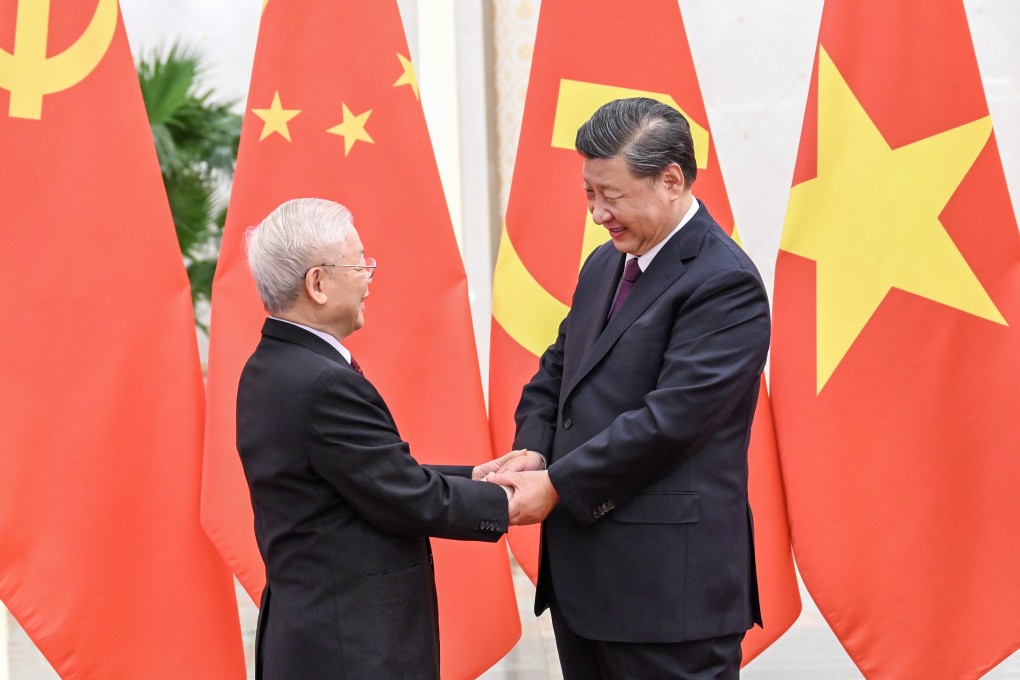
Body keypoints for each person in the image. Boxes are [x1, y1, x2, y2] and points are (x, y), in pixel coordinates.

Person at [488, 98, 770, 679]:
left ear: (671, 179)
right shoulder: (604, 265)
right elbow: (555, 374)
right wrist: (533, 449)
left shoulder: (725, 282)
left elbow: (670, 423)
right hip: (585, 588)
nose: (597, 214)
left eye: (610, 195)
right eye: (589, 194)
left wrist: (557, 485)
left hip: (670, 598)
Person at [236, 198, 513, 679]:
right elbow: (404, 496)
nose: (368, 276)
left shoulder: (271, 365)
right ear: (318, 284)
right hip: (350, 650)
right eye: (358, 261)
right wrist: (508, 500)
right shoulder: (321, 382)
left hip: (318, 636)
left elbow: (367, 475)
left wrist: (474, 476)